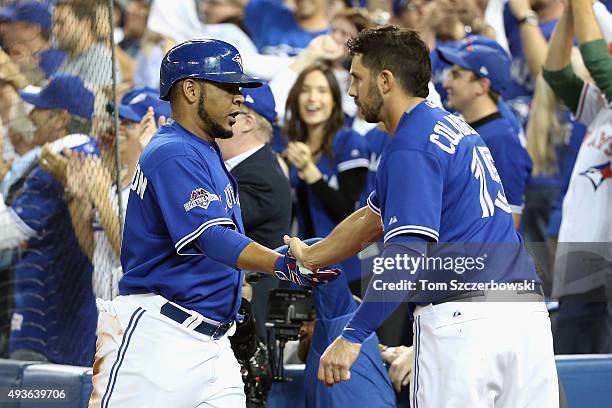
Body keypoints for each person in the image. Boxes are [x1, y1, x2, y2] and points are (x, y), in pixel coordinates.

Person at [285, 26, 558, 407]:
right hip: (523, 314)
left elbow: (406, 257)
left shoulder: (409, 147)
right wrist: (314, 256)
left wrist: (352, 336)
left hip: (464, 323)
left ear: (385, 80)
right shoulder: (451, 125)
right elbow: (372, 218)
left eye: (356, 78)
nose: (350, 91)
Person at [88, 39, 340, 408]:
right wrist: (282, 264)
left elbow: (221, 247)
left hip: (213, 342)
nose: (239, 97)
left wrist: (288, 254)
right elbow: (213, 240)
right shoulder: (174, 151)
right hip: (160, 340)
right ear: (190, 89)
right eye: (228, 87)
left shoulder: (203, 150)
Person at [0, 74, 99, 366]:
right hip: (62, 319)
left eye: (40, 109)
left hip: (50, 325)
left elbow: (5, 232)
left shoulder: (65, 155)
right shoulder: (80, 151)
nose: (31, 115)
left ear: (60, 118)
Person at [542, 0, 612, 354]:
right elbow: (556, 73)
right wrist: (570, 14)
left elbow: (599, 63)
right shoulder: (603, 108)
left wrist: (583, 4)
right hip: (581, 257)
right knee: (571, 368)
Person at [216, 82, 292, 337]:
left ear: (247, 122)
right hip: (234, 304)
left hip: (250, 314)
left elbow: (214, 223)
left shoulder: (261, 176)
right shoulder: (247, 167)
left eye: (231, 109)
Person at [284, 64, 370, 285]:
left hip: (348, 267)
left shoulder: (350, 141)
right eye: (305, 90)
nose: (312, 98)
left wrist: (310, 173)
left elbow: (348, 210)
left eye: (322, 91)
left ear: (334, 100)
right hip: (304, 264)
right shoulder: (291, 145)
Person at [439, 42, 533, 228]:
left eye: (456, 75)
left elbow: (510, 219)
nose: (446, 83)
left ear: (482, 86)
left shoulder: (502, 140)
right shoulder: (461, 128)